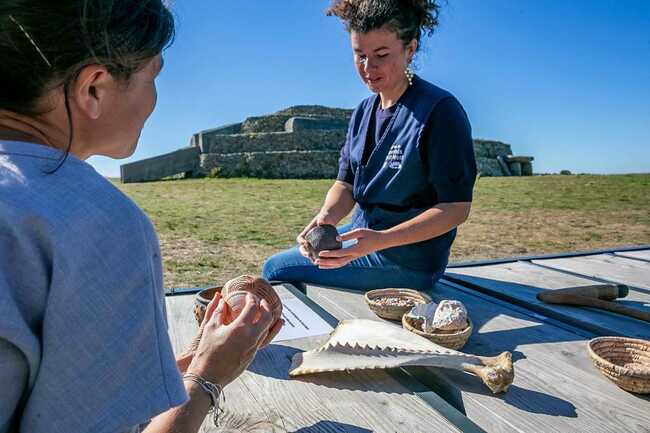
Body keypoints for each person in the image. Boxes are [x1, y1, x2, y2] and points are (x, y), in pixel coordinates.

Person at [0, 2, 281, 432]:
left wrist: (178, 363)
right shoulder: (99, 223)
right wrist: (208, 374)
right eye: (154, 76)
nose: (155, 99)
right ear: (94, 87)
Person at [263, 0, 477, 292]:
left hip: (408, 260)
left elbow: (455, 208)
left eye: (381, 54)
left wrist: (382, 239)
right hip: (362, 237)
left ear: (410, 49)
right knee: (283, 262)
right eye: (359, 55)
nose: (368, 67)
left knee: (276, 269)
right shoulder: (363, 111)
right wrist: (325, 218)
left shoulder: (440, 111)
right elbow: (345, 185)